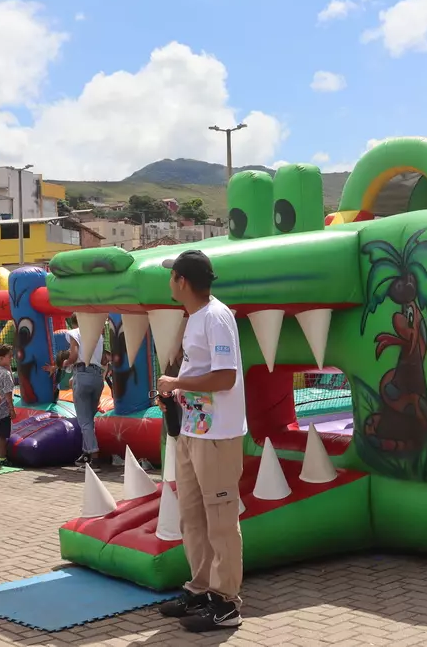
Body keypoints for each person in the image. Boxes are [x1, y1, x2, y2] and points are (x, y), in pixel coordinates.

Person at [155, 250, 246, 631]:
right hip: (193, 431)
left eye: (171, 276)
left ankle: (226, 603)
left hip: (217, 437)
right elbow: (204, 375)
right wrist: (176, 394)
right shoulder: (194, 318)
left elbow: (225, 378)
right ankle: (200, 589)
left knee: (221, 521)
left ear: (182, 281)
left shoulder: (216, 317)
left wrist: (178, 383)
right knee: (193, 518)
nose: (169, 282)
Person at [67, 316, 106, 468]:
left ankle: (94, 456)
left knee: (84, 420)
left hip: (82, 374)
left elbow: (74, 355)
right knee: (89, 418)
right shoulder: (98, 334)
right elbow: (103, 359)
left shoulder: (75, 333)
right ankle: (86, 453)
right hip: (97, 376)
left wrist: (65, 363)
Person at [0, 344, 16, 464]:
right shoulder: (5, 374)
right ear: (1, 358)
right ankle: (3, 457)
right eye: (9, 356)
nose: (11, 358)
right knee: (2, 435)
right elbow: (8, 393)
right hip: (3, 408)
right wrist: (11, 409)